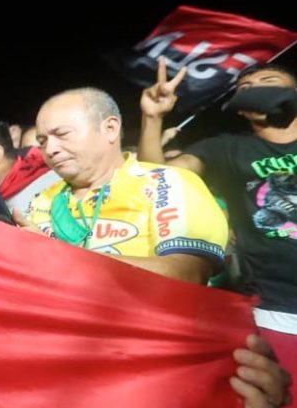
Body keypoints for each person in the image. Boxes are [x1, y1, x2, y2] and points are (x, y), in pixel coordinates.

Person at [138, 57, 297, 398]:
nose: (255, 91)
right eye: (245, 90)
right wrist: (153, 117)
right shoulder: (226, 148)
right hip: (279, 313)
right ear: (239, 108)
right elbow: (161, 178)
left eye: (269, 80)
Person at [20, 88, 226, 284]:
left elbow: (188, 274)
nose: (50, 149)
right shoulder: (41, 199)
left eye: (63, 134)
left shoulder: (168, 183)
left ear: (109, 128)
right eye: (42, 141)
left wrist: (61, 256)